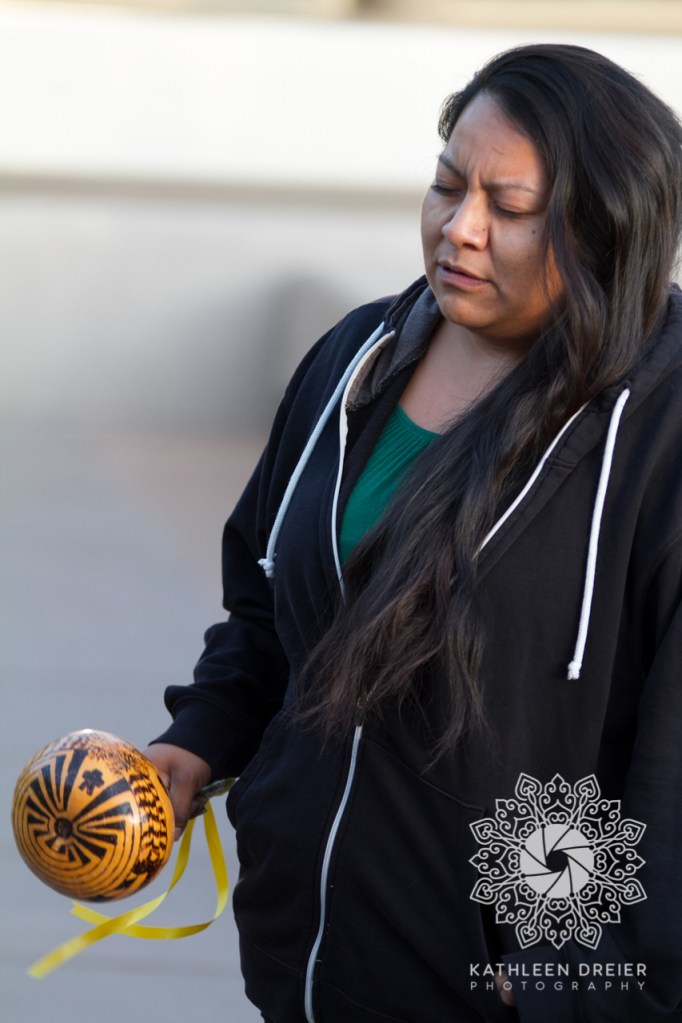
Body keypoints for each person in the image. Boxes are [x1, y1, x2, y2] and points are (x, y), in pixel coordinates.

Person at [146, 43, 682, 1022]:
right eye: (445, 186)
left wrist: (590, 985)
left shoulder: (662, 432)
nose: (459, 229)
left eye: (509, 208)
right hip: (306, 961)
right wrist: (197, 742)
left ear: (607, 226)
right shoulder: (356, 356)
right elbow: (270, 610)